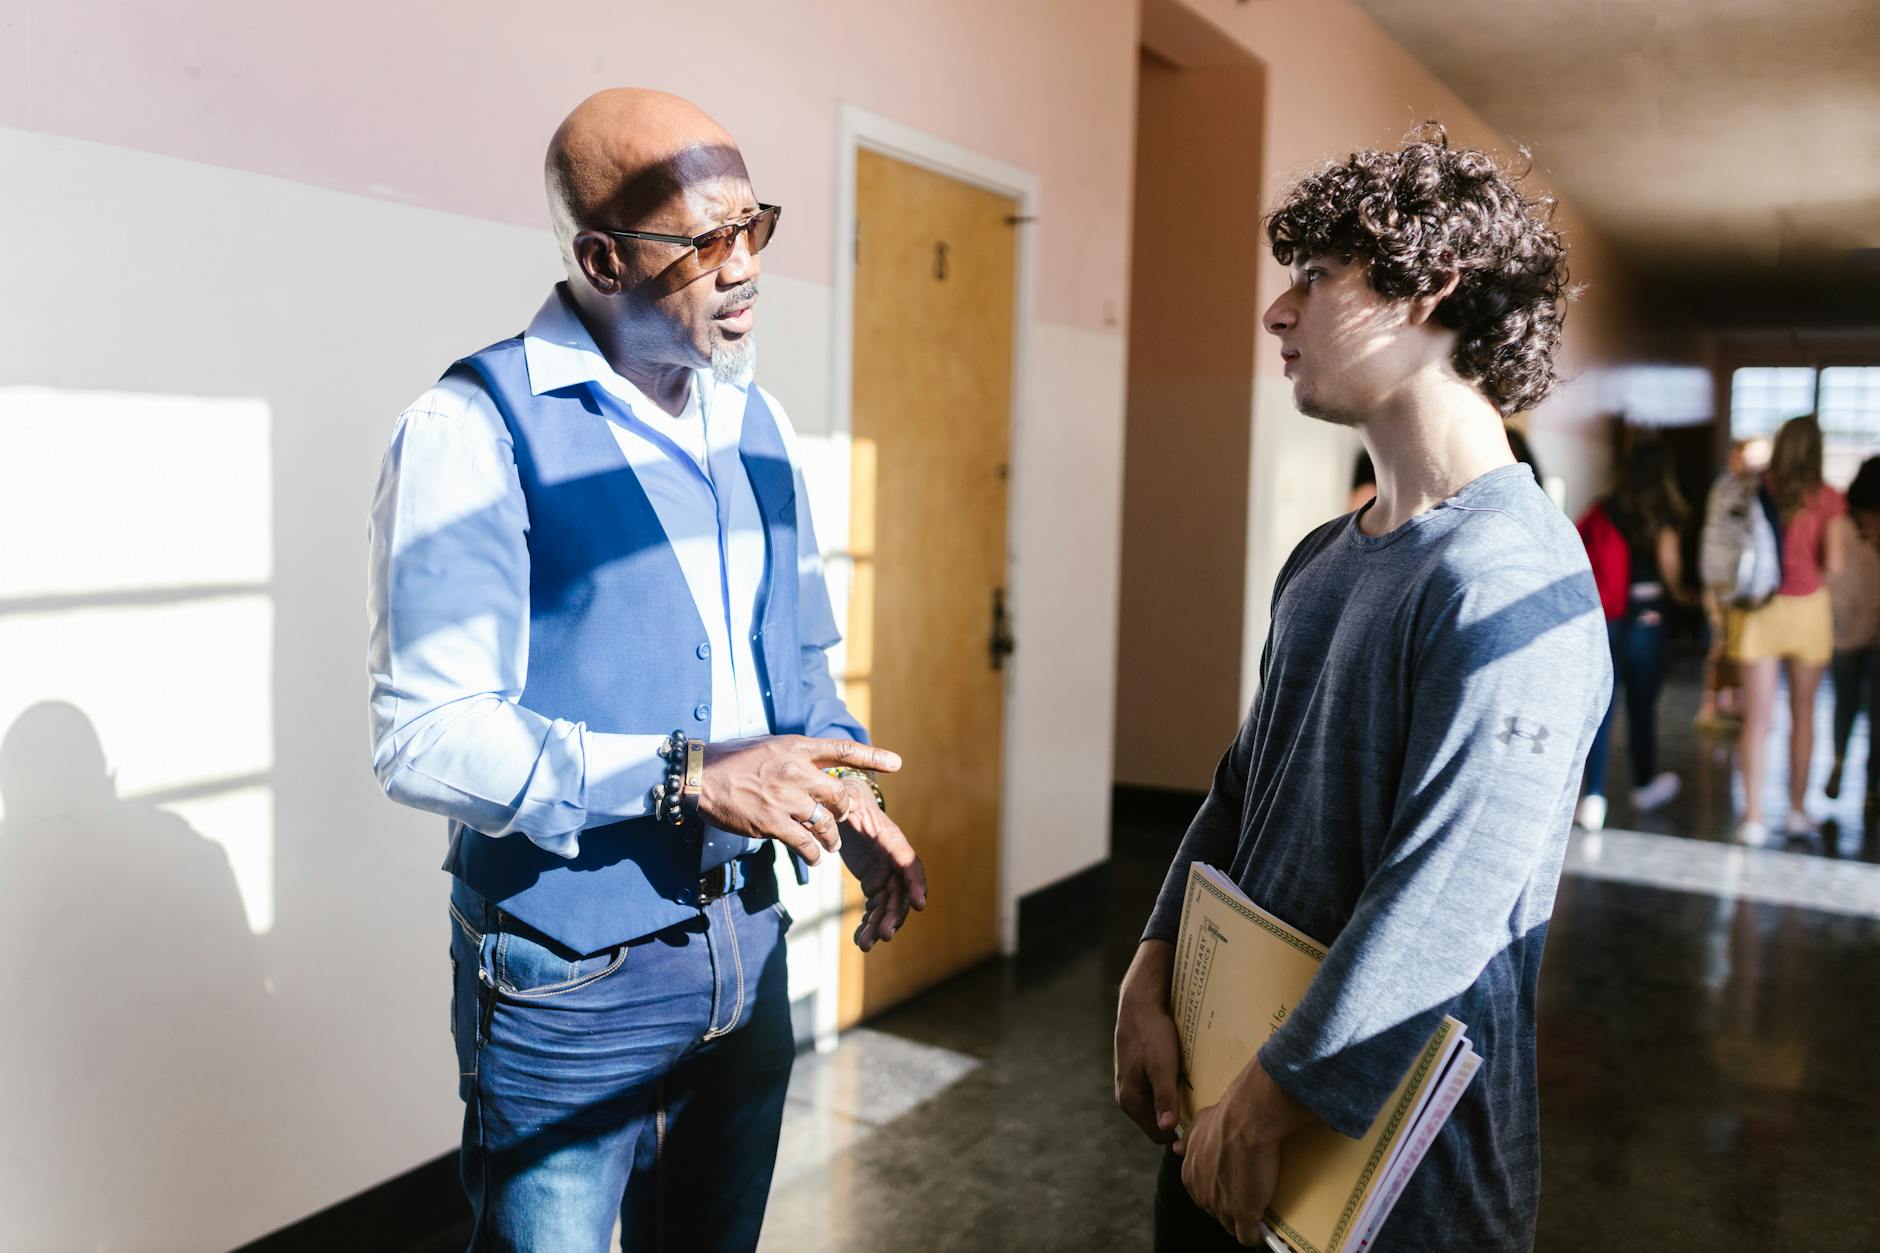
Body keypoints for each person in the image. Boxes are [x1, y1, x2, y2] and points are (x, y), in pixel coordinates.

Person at [366, 88, 928, 1252]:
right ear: (602, 258)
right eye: (704, 241)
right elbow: (425, 730)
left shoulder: (756, 424)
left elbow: (797, 667)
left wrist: (848, 794)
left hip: (746, 956)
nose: (745, 268)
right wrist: (681, 774)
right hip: (566, 986)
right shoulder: (472, 428)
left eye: (753, 228)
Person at [1113, 126, 1609, 1252]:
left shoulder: (1508, 579)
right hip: (1233, 1118)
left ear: (1427, 285)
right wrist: (1150, 963)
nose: (1275, 313)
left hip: (1393, 1184)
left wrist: (1272, 1096)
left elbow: (1446, 892)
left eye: (1314, 277)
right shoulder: (1323, 559)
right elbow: (1241, 790)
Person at [1726, 414, 1848, 842]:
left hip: (1759, 608)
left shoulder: (1759, 487)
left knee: (1757, 721)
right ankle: (1796, 810)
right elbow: (1833, 564)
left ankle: (1753, 818)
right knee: (1804, 715)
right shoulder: (1829, 498)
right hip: (1807, 610)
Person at [1573, 438, 1692, 831]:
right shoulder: (1664, 512)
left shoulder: (1607, 506)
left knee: (1601, 709)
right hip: (1646, 615)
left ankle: (1593, 796)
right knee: (1642, 708)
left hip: (1605, 614)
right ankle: (1643, 785)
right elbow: (1669, 565)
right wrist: (1685, 596)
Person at [1825, 456, 1880, 803]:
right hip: (1876, 629)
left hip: (1843, 626)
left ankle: (1838, 763)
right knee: (1878, 710)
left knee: (1844, 702)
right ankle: (1873, 785)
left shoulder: (1840, 524)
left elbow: (1831, 569)